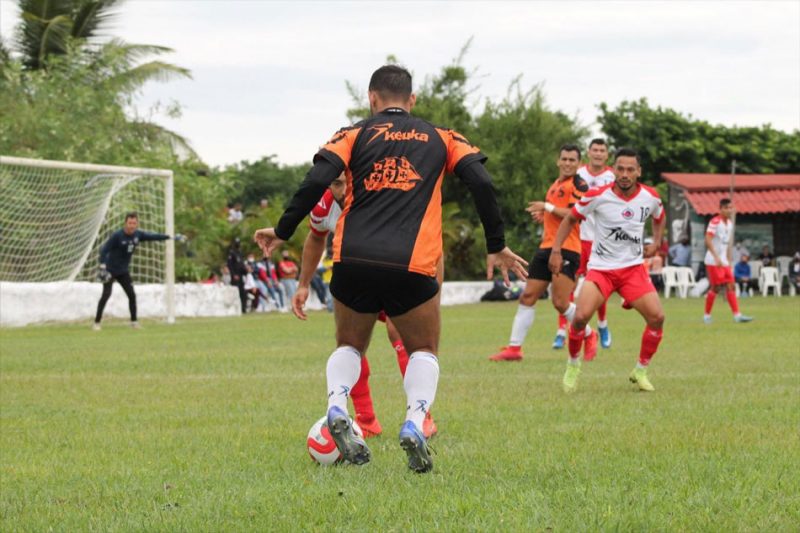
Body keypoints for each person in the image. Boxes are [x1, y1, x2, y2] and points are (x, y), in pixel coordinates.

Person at [254, 64, 527, 473]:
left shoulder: (352, 134)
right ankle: (416, 420)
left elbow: (316, 180)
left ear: (372, 99)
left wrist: (282, 229)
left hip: (354, 260)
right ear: (412, 100)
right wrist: (496, 244)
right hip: (412, 264)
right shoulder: (443, 138)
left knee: (349, 346)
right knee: (423, 349)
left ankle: (335, 404)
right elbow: (482, 183)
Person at [293, 173, 439, 439]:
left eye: (347, 180)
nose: (343, 189)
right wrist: (303, 283)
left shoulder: (384, 196)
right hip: (357, 274)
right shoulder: (323, 206)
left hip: (402, 267)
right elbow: (316, 238)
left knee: (402, 335)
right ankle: (366, 419)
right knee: (351, 341)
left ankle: (422, 417)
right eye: (335, 183)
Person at [548, 147, 666, 393]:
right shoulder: (597, 195)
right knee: (580, 318)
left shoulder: (650, 197)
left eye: (630, 170)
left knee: (657, 318)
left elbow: (659, 216)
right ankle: (573, 365)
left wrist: (656, 242)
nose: (624, 174)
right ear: (614, 169)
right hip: (601, 269)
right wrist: (556, 250)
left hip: (633, 270)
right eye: (620, 169)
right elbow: (570, 218)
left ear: (638, 172)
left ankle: (641, 371)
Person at [489, 144, 594, 362]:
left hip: (567, 248)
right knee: (528, 296)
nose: (567, 163)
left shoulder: (579, 184)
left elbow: (575, 213)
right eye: (564, 159)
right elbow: (558, 214)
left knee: (560, 302)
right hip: (545, 247)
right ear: (558, 161)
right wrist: (545, 215)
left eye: (572, 160)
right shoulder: (555, 185)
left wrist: (547, 208)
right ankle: (514, 349)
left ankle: (589, 334)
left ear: (579, 164)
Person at [552, 138, 616, 351]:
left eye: (602, 150)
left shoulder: (612, 177)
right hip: (577, 238)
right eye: (594, 150)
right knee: (567, 284)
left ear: (607, 155)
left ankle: (603, 326)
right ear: (589, 152)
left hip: (601, 240)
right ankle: (562, 331)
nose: (598, 153)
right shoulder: (577, 174)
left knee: (599, 285)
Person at [93, 212, 171, 330]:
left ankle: (134, 322)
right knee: (106, 295)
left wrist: (169, 237)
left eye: (134, 223)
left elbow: (152, 236)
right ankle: (96, 323)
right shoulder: (117, 236)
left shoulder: (138, 235)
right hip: (110, 270)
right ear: (125, 223)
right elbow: (104, 250)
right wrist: (103, 267)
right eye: (130, 223)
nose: (132, 225)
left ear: (137, 224)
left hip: (123, 272)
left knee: (132, 295)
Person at [703, 199, 753, 324]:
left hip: (724, 260)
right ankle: (707, 315)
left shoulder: (730, 224)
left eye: (731, 208)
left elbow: (726, 244)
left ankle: (737, 315)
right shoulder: (715, 222)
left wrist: (727, 259)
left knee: (731, 285)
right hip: (713, 260)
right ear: (721, 209)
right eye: (727, 208)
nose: (730, 210)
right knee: (716, 288)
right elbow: (708, 240)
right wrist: (716, 257)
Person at [227, 238, 248, 314]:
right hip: (235, 276)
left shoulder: (240, 253)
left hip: (241, 276)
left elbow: (242, 265)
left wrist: (245, 271)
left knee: (243, 293)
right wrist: (234, 275)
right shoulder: (231, 253)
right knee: (236, 292)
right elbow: (230, 265)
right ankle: (235, 309)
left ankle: (243, 309)